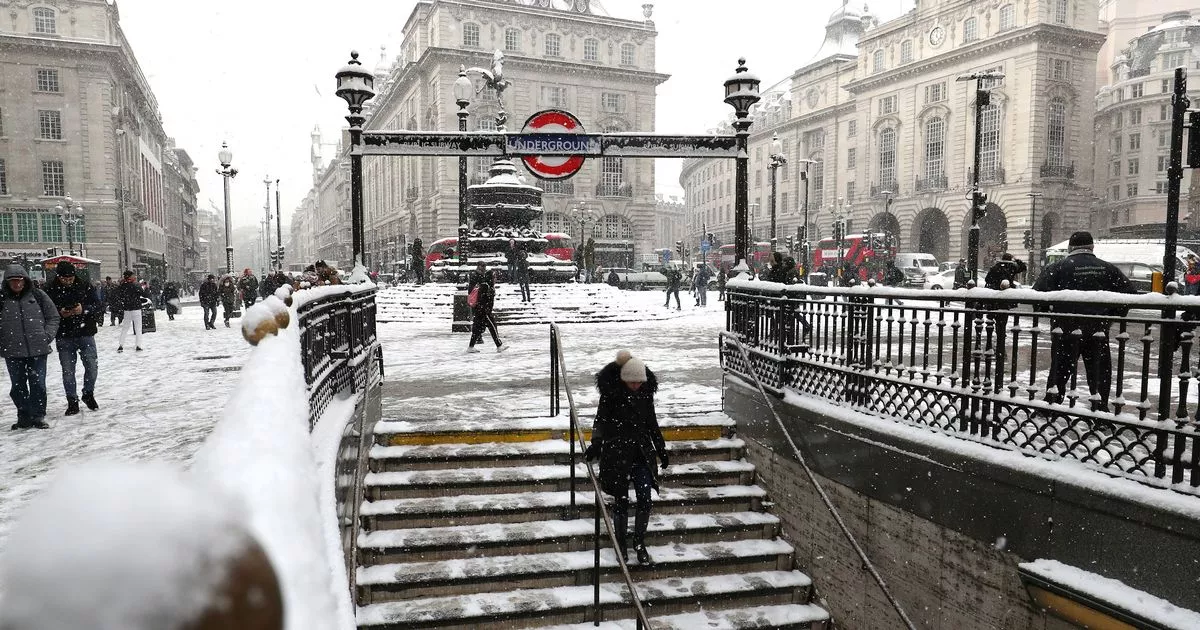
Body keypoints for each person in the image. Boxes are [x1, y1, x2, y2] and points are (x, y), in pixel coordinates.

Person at [1033, 231, 1136, 411]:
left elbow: (1037, 297)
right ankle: (1100, 406)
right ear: (1092, 247)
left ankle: (1052, 404)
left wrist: (1051, 311)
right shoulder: (1107, 268)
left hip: (1065, 328)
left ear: (1070, 248)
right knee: (1099, 371)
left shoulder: (1058, 267)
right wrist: (1110, 313)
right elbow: (1130, 295)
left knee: (1060, 369)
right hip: (1097, 328)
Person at [584, 354, 667, 565]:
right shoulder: (611, 395)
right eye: (633, 381)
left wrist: (661, 448)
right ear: (624, 379)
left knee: (645, 499)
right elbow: (600, 420)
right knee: (620, 501)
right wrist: (596, 443)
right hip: (616, 454)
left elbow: (651, 423)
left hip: (641, 454)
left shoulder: (645, 394)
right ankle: (621, 544)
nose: (637, 385)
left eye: (640, 381)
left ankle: (639, 542)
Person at [1, 264, 59, 430]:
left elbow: (53, 317)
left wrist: (46, 336)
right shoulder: (2, 298)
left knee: (38, 384)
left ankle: (38, 416)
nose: (17, 284)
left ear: (25, 281)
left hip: (38, 350)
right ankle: (24, 415)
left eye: (19, 280)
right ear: (7, 282)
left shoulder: (37, 295)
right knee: (18, 386)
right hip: (13, 351)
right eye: (13, 281)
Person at [44, 262, 102, 416]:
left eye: (70, 278)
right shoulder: (49, 289)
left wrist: (83, 309)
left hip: (85, 332)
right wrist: (59, 312)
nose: (68, 281)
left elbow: (98, 305)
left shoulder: (85, 286)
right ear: (59, 276)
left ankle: (88, 393)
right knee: (68, 370)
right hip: (64, 335)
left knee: (92, 366)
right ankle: (72, 400)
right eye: (65, 278)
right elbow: (45, 311)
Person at [467, 272, 505, 353]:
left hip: (481, 311)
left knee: (477, 330)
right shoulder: (485, 286)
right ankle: (499, 345)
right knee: (492, 327)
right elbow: (483, 300)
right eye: (494, 277)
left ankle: (471, 347)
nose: (495, 279)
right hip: (484, 312)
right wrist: (485, 310)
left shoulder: (487, 286)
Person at [112, 270, 148, 352]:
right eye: (133, 275)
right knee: (138, 328)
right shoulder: (136, 285)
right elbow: (144, 294)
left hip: (127, 309)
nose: (134, 276)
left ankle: (121, 345)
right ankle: (138, 345)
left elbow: (118, 295)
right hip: (136, 308)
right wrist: (145, 288)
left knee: (125, 327)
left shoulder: (122, 286)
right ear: (130, 277)